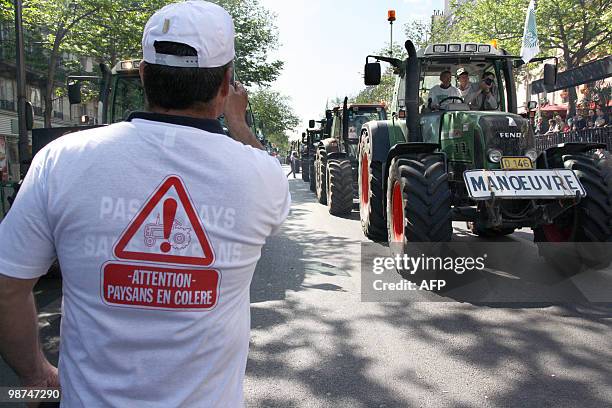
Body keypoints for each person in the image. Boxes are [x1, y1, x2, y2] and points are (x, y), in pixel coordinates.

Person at [0, 2, 290, 407]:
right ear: (226, 85)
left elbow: (8, 288)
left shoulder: (62, 159)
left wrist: (36, 375)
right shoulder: (261, 176)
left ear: (143, 75)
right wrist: (239, 125)